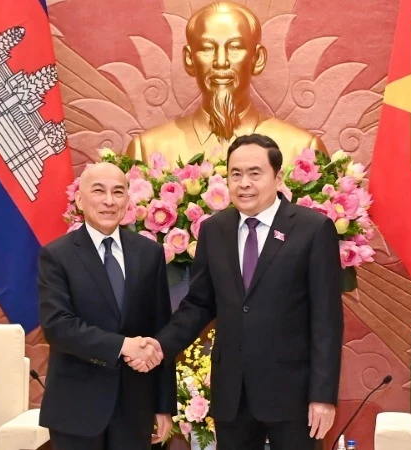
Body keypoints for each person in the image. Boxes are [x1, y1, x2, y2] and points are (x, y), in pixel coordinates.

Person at [130, 134, 343, 450]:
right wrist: (159, 346)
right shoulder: (215, 230)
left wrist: (323, 396)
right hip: (233, 394)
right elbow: (199, 304)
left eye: (255, 173)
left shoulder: (312, 229)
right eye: (236, 174)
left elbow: (327, 319)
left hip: (293, 395)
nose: (244, 183)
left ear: (278, 177)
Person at [37, 162, 176, 450]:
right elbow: (58, 326)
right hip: (76, 408)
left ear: (128, 200)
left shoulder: (149, 253)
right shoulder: (57, 255)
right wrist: (122, 346)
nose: (109, 201)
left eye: (118, 192)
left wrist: (164, 404)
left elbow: (161, 329)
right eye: (99, 191)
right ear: (80, 198)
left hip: (134, 408)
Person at [126, 1, 327, 164]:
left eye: (235, 48)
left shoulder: (303, 150)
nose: (221, 62)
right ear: (189, 59)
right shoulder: (146, 151)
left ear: (257, 59)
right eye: (206, 48)